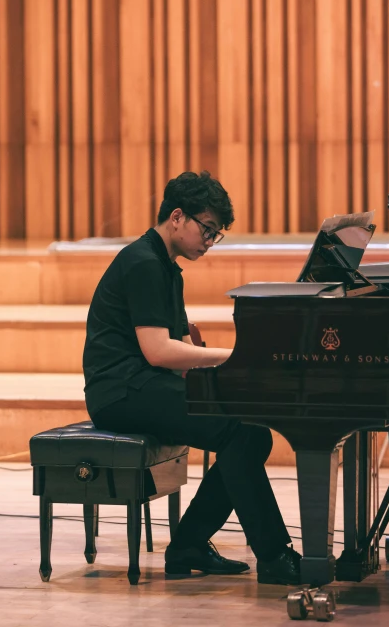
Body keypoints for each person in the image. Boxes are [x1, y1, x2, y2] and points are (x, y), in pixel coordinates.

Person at [83, 170, 301, 584]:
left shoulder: (167, 267)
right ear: (177, 216)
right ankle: (272, 555)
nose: (210, 241)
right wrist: (241, 356)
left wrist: (238, 377)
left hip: (146, 384)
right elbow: (159, 351)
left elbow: (183, 352)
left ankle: (188, 545)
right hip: (121, 392)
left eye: (216, 234)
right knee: (240, 433)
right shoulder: (143, 263)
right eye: (208, 229)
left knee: (251, 432)